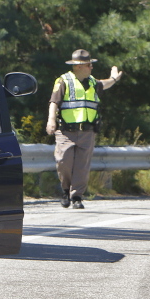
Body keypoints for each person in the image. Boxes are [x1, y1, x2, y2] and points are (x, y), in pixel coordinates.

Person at [46, 49, 123, 209]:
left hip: (87, 131)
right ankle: (66, 190)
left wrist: (114, 79)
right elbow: (54, 102)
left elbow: (104, 84)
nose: (91, 67)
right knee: (63, 161)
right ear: (79, 66)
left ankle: (77, 197)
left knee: (82, 166)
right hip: (66, 131)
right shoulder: (63, 81)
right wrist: (51, 120)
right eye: (89, 65)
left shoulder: (93, 82)